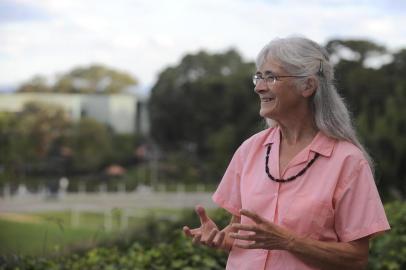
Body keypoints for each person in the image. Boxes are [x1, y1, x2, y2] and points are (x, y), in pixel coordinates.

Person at [183, 36, 390, 270]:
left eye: (271, 77)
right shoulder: (249, 150)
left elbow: (357, 258)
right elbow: (240, 233)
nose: (259, 86)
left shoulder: (348, 161)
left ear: (308, 86)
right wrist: (220, 238)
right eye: (259, 76)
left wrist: (288, 241)